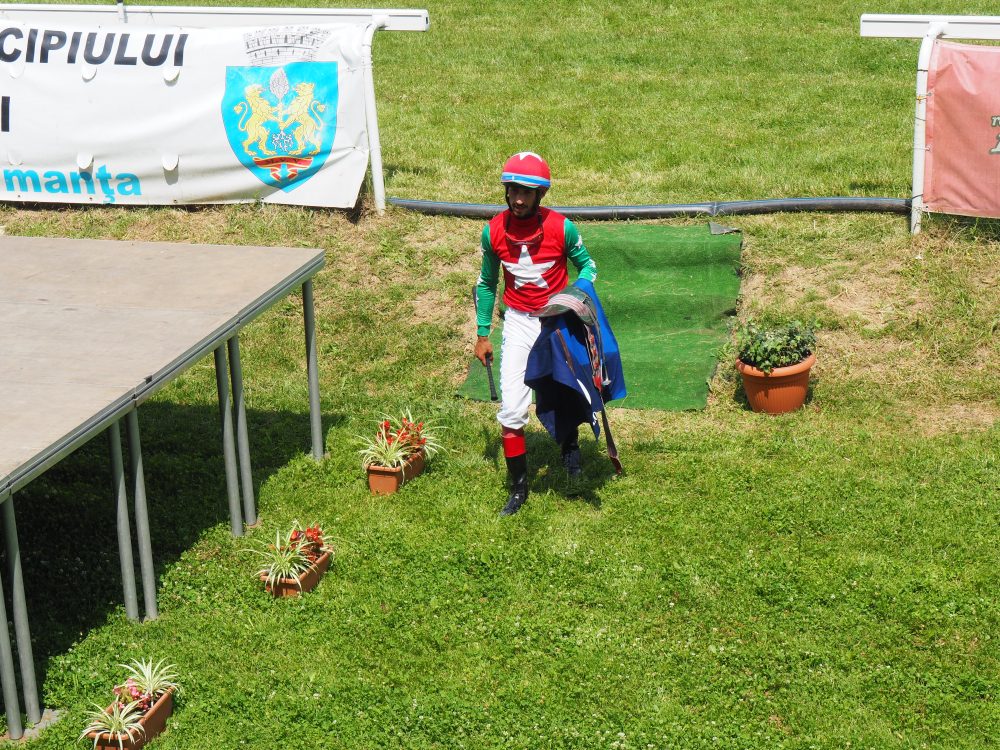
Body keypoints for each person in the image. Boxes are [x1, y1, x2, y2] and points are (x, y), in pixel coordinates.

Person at [473, 151, 598, 516]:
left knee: (563, 391)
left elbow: (588, 267)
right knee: (512, 408)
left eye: (526, 192)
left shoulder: (562, 228)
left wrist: (573, 298)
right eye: (513, 190)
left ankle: (570, 450)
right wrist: (482, 333)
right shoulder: (493, 231)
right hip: (518, 322)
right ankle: (518, 489)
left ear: (540, 195)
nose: (518, 199)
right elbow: (486, 283)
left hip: (556, 320)